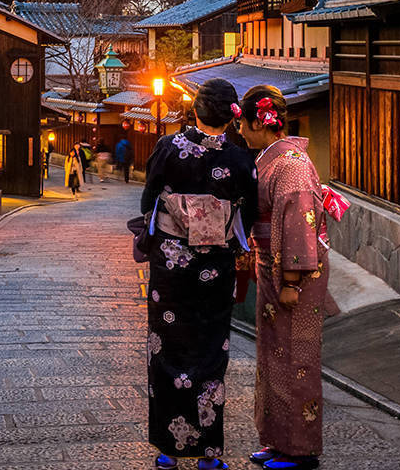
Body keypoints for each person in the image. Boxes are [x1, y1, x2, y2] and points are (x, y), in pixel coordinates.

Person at [137, 79, 258, 470]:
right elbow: (249, 214)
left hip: (171, 268)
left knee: (167, 348)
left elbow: (148, 199)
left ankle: (168, 450)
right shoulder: (241, 159)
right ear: (231, 115)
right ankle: (208, 452)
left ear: (195, 109)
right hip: (214, 268)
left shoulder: (168, 147)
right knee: (209, 352)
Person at [237, 85, 346, 470]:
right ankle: (277, 439)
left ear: (258, 122)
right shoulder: (272, 159)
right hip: (272, 265)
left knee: (296, 356)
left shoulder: (292, 166)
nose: (240, 132)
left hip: (293, 272)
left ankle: (300, 450)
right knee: (273, 354)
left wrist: (291, 282)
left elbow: (299, 225)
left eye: (243, 124)